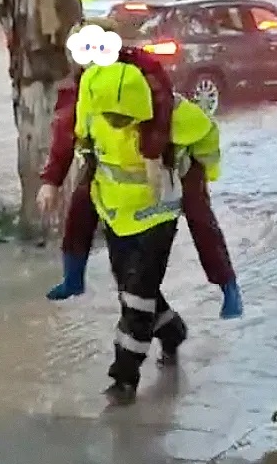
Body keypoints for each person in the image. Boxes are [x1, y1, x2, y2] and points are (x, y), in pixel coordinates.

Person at [37, 37, 242, 318]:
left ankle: (227, 286)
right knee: (82, 204)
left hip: (179, 159)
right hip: (113, 165)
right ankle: (74, 277)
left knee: (199, 216)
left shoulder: (147, 86)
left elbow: (191, 126)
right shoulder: (87, 89)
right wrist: (51, 181)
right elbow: (66, 134)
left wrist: (186, 164)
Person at [53, 61, 218, 404]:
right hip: (115, 216)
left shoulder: (172, 113)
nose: (115, 123)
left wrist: (204, 177)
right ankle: (172, 331)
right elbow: (77, 146)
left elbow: (207, 135)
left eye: (123, 118)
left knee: (138, 295)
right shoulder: (91, 109)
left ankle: (124, 377)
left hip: (159, 218)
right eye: (110, 117)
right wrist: (51, 183)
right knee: (130, 288)